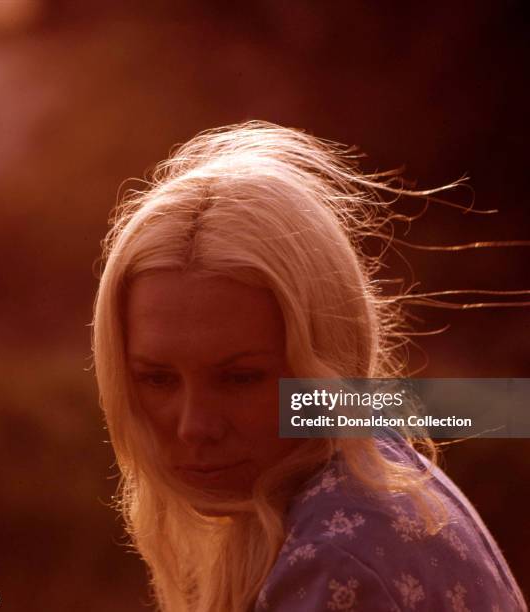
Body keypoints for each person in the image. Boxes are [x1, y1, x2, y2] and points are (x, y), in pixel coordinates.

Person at [92, 121, 527, 611]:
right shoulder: (369, 469)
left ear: (326, 360)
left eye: (240, 378)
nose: (195, 426)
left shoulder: (333, 561)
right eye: (157, 379)